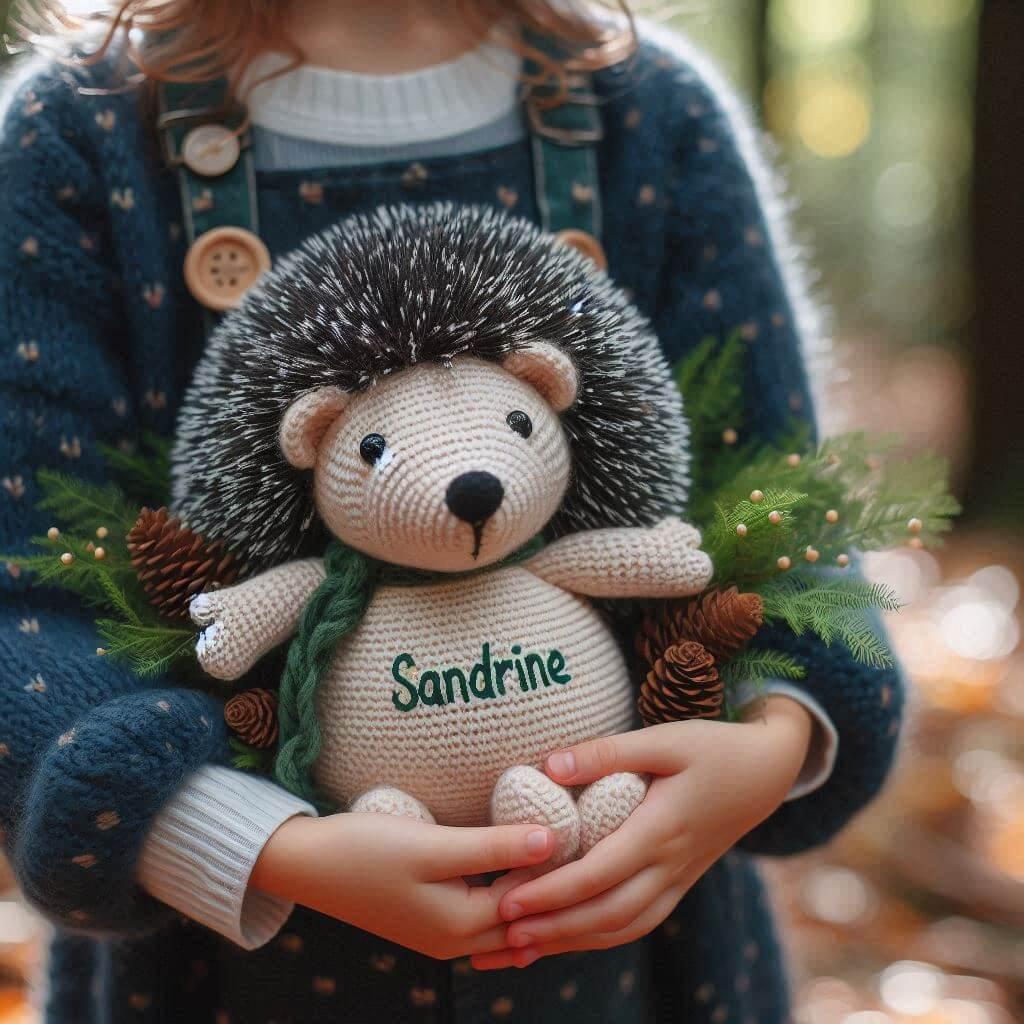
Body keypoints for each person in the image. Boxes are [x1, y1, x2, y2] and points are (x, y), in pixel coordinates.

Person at [0, 2, 903, 1021]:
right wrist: (251, 840)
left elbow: (787, 518)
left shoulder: (650, 114)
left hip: (653, 966)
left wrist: (771, 741)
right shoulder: (79, 135)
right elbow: (25, 605)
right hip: (202, 976)